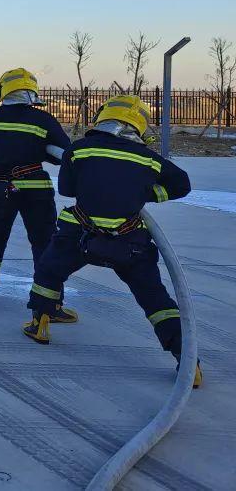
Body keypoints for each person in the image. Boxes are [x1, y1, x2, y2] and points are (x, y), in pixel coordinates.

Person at [23, 95, 199, 386]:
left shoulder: (78, 150)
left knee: (49, 269)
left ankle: (40, 322)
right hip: (129, 240)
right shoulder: (148, 159)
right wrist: (146, 192)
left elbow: (67, 189)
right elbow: (182, 184)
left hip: (80, 235)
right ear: (138, 124)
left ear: (102, 117)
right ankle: (189, 361)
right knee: (155, 298)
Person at [0, 68, 74, 324]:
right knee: (45, 242)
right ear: (32, 93)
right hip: (35, 188)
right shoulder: (44, 120)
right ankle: (51, 300)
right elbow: (64, 154)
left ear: (3, 90)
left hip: (0, 186)